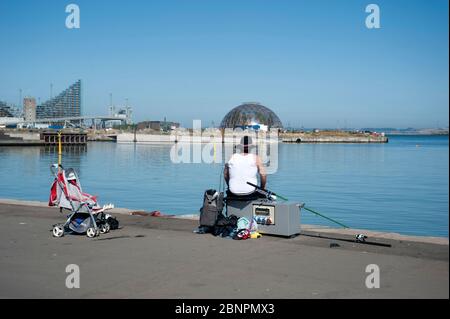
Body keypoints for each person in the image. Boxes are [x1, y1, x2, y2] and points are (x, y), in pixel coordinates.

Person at [224, 136, 267, 200]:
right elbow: (263, 175)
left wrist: (229, 186)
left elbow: (225, 175)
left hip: (233, 192)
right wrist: (262, 189)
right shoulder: (256, 158)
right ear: (251, 148)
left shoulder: (231, 157)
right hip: (250, 193)